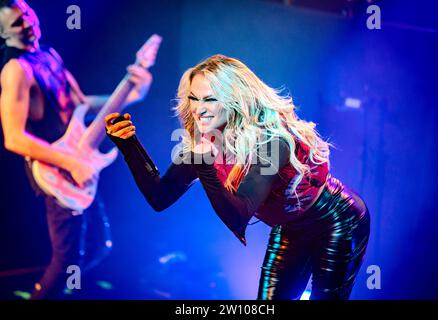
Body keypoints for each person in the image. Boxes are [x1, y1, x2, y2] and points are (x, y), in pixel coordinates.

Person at [105, 54, 370, 300]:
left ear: (234, 100)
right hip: (290, 227)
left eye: (209, 99)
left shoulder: (272, 142)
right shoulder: (207, 141)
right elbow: (160, 197)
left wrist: (205, 165)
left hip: (336, 220)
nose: (199, 109)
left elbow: (238, 215)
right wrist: (129, 145)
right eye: (194, 99)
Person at [0, 0, 152, 299]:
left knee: (97, 245)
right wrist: (70, 164)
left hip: (78, 162)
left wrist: (130, 94)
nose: (28, 23)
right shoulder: (15, 71)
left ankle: (50, 290)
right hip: (56, 172)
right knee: (68, 259)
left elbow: (81, 106)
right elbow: (13, 138)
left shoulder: (49, 56)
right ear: (4, 34)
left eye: (28, 15)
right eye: (17, 23)